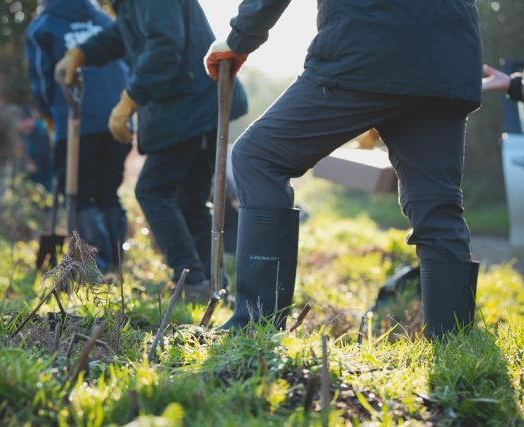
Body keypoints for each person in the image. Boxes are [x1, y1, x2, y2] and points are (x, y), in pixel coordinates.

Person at [205, 0, 482, 338]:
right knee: (438, 205)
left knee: (258, 158)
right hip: (448, 59)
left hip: (364, 46)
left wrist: (238, 40)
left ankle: (255, 325)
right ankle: (455, 345)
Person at [55, 0, 248, 300]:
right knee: (190, 201)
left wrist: (131, 97)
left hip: (190, 105)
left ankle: (193, 281)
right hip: (195, 105)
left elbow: (165, 45)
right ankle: (208, 286)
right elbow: (124, 34)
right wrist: (83, 53)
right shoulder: (132, 6)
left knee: (153, 190)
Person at [25, 0, 131, 270]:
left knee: (79, 194)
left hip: (76, 122)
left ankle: (94, 265)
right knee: (108, 191)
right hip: (118, 117)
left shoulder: (42, 27)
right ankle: (115, 262)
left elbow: (41, 80)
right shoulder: (104, 20)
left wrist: (50, 116)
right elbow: (129, 63)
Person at [16, 106, 54, 192]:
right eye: (22, 121)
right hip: (35, 174)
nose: (25, 124)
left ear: (33, 120)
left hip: (46, 174)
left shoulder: (41, 133)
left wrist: (34, 165)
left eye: (26, 120)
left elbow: (45, 157)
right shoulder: (25, 134)